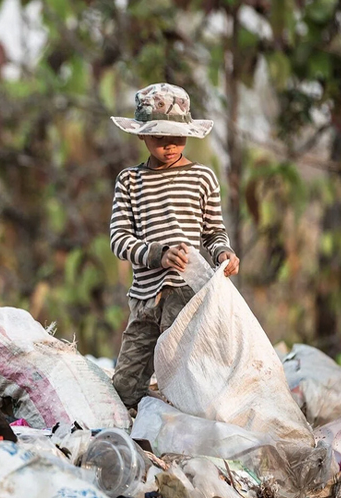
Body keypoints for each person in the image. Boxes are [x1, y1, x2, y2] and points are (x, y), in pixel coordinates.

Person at [109, 83, 240, 410]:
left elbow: (213, 232)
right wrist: (158, 255)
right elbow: (119, 239)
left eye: (177, 137)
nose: (169, 146)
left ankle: (187, 438)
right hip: (144, 298)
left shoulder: (203, 179)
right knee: (125, 388)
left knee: (184, 382)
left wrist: (223, 253)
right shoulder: (130, 181)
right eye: (159, 138)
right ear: (142, 136)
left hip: (186, 295)